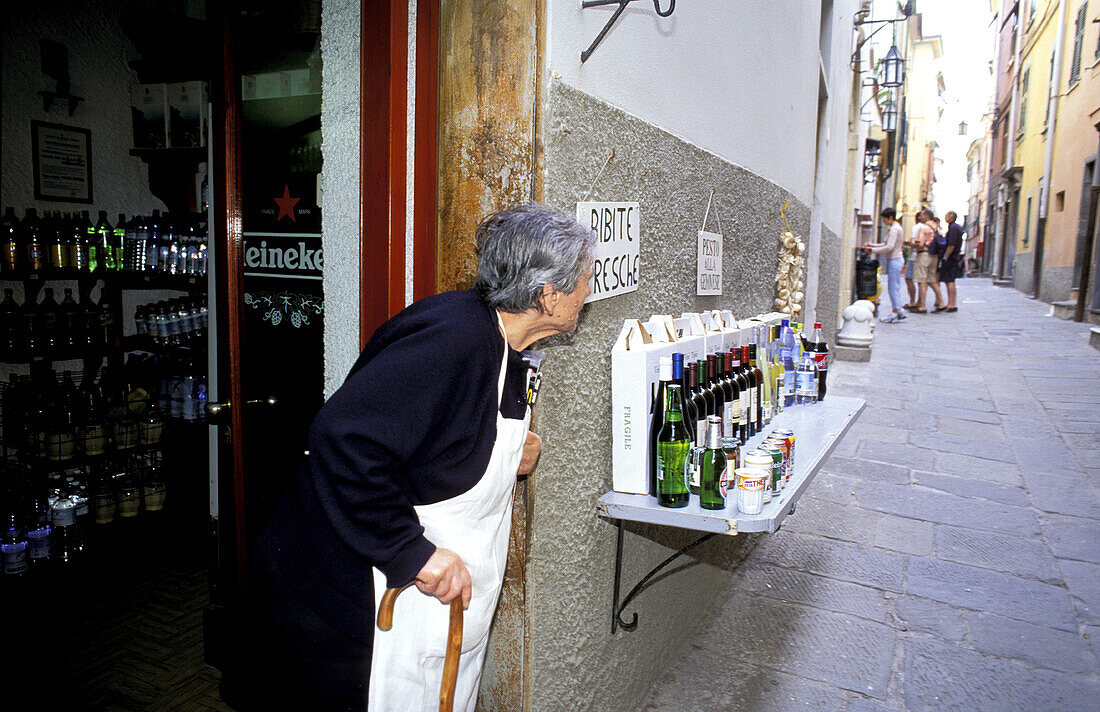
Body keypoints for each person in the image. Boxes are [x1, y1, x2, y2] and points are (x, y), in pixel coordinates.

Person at [229, 204, 595, 712]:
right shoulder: (454, 340)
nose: (589, 293)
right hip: (342, 603)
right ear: (548, 296)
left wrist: (504, 452)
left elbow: (439, 437)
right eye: (584, 280)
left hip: (428, 614)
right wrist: (411, 552)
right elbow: (342, 439)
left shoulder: (510, 345)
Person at [865, 207, 906, 323]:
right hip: (896, 259)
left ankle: (895, 311)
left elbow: (889, 247)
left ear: (890, 218)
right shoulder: (895, 227)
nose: (883, 221)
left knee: (893, 287)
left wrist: (871, 250)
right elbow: (885, 244)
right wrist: (872, 245)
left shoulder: (894, 229)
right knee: (894, 286)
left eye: (884, 219)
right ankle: (899, 310)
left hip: (895, 259)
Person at [911, 209, 945, 313]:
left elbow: (920, 244)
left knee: (922, 281)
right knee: (932, 280)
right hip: (934, 256)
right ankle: (942, 302)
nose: (920, 217)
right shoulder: (937, 228)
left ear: (926, 216)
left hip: (923, 255)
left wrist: (912, 243)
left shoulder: (923, 227)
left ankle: (922, 306)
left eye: (921, 215)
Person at [938, 210, 964, 312]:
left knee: (950, 281)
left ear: (951, 216)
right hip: (954, 257)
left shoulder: (953, 228)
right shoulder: (956, 227)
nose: (945, 218)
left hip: (951, 258)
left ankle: (952, 304)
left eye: (946, 216)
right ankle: (951, 303)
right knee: (950, 280)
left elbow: (951, 244)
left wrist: (946, 257)